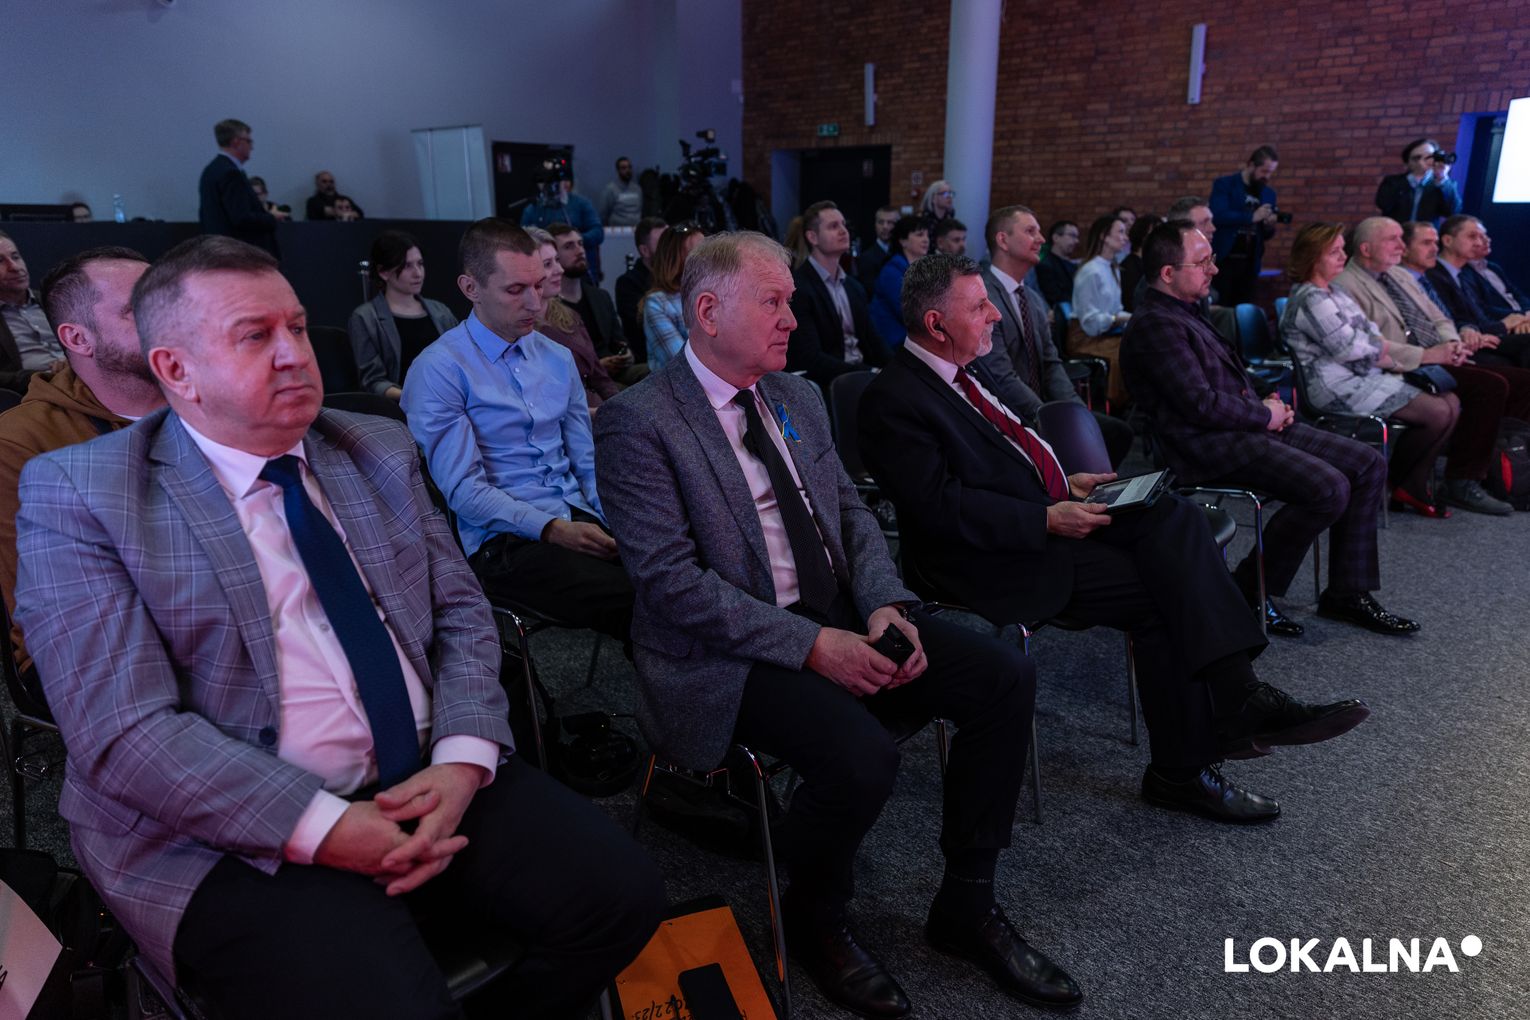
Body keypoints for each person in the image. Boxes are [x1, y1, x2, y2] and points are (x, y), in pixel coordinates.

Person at [12, 234, 663, 1019]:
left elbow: (461, 614)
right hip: (222, 822)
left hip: (426, 772)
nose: (295, 353)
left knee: (623, 898)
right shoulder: (82, 491)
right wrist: (321, 825)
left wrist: (461, 760)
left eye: (296, 326)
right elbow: (123, 730)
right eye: (255, 335)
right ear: (176, 370)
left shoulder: (372, 447)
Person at [594, 231, 1085, 1017]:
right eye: (775, 302)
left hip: (838, 613)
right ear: (709, 312)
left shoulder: (795, 397)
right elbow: (670, 585)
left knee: (1003, 677)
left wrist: (887, 602)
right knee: (860, 756)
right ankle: (814, 915)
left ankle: (967, 901)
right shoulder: (640, 422)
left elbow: (852, 517)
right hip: (726, 652)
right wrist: (813, 645)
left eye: (792, 301)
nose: (794, 320)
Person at [859, 251, 1368, 823]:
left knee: (1174, 515)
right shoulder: (893, 399)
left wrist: (1064, 482)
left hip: (1045, 512)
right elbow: (938, 509)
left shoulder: (963, 373)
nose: (994, 315)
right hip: (986, 556)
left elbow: (1005, 457)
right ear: (936, 324)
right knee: (1163, 593)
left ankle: (1238, 695)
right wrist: (1046, 517)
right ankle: (1188, 762)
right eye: (979, 307)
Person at [1122, 220, 1419, 638]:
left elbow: (1229, 378)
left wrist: (1268, 401)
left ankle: (1348, 592)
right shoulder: (1157, 324)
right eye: (1202, 262)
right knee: (1329, 488)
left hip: (1242, 427)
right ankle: (1249, 589)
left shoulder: (1187, 310)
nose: (1214, 269)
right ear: (1168, 273)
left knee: (1368, 463)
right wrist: (1264, 415)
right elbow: (1198, 404)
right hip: (1203, 446)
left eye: (1211, 260)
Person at [402, 219, 634, 645]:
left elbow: (586, 464)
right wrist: (552, 528)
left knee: (679, 575)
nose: (535, 303)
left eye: (539, 286)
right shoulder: (440, 369)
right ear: (470, 288)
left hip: (575, 513)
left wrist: (618, 519)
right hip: (504, 540)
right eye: (515, 290)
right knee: (641, 600)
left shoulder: (557, 358)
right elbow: (464, 492)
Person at [1, 247, 166, 687]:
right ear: (78, 339)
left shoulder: (213, 406)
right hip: (97, 655)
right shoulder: (20, 443)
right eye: (139, 308)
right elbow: (45, 616)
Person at [1334, 216, 1530, 514]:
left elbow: (1439, 318)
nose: (1401, 246)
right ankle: (1462, 480)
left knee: (1522, 381)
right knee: (1490, 386)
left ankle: (1505, 467)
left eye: (1402, 239)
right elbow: (1371, 345)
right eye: (1393, 240)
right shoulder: (1345, 285)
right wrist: (1431, 354)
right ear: (1366, 248)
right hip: (1401, 364)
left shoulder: (1399, 275)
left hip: (1437, 355)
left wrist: (1453, 344)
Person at [1279, 223, 1475, 516]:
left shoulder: (1334, 292)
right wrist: (1382, 354)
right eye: (1334, 252)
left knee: (1452, 402)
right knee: (1438, 412)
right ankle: (1399, 484)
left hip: (1362, 375)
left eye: (1342, 249)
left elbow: (1372, 337)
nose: (1343, 256)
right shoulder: (1311, 298)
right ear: (1312, 258)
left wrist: (1378, 351)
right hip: (1333, 387)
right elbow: (1350, 351)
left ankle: (1408, 483)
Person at [971, 205, 1133, 467]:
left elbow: (1051, 364)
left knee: (1116, 433)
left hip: (1040, 404)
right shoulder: (983, 297)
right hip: (1005, 413)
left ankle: (1080, 487)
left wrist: (1078, 412)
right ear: (1003, 240)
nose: (1041, 239)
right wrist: (1047, 417)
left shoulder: (1032, 298)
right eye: (1030, 231)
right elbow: (1000, 377)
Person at [786, 200, 886, 389]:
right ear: (813, 237)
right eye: (833, 226)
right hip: (827, 384)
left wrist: (898, 369)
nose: (843, 231)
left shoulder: (853, 287)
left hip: (862, 376)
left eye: (843, 225)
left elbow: (873, 341)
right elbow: (810, 357)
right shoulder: (799, 287)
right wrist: (869, 372)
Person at [347, 231, 459, 400]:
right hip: (400, 407)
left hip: (449, 400)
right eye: (407, 266)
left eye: (420, 264)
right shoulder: (365, 318)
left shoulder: (441, 312)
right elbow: (372, 382)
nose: (418, 273)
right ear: (384, 272)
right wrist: (413, 397)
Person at [526, 227, 620, 412]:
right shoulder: (520, 328)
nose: (559, 270)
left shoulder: (569, 315)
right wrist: (599, 414)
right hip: (572, 416)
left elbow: (601, 378)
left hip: (598, 407)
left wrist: (619, 407)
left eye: (557, 260)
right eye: (547, 264)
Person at [547, 221, 641, 383]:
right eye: (569, 246)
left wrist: (626, 355)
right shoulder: (548, 307)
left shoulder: (600, 296)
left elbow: (619, 339)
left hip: (615, 370)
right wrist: (597, 366)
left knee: (653, 374)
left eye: (580, 244)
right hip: (581, 380)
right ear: (554, 257)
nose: (580, 251)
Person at [1428, 216, 1530, 359]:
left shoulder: (1464, 274)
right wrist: (1504, 325)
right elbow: (1452, 322)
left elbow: (1480, 313)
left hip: (1486, 333)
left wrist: (1521, 318)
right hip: (1460, 343)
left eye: (1482, 237)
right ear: (1447, 241)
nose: (1479, 242)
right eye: (1472, 236)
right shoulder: (1433, 274)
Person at [1069, 215, 1132, 407]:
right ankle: (1117, 405)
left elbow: (1116, 310)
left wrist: (1127, 318)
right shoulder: (1091, 271)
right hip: (1084, 337)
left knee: (1137, 344)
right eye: (1120, 232)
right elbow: (1090, 322)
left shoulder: (1113, 268)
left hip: (1104, 331)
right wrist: (1116, 319)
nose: (1125, 237)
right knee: (1124, 352)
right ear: (1104, 236)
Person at [198, 118, 285, 256]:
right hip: (237, 252)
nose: (252, 147)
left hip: (218, 249)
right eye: (249, 141)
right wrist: (271, 218)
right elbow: (242, 218)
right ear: (236, 142)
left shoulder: (212, 169)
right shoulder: (230, 173)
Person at [1209, 146, 1280, 305]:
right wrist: (1252, 217)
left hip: (1250, 262)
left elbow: (1265, 234)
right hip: (1225, 259)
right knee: (1222, 307)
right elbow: (1217, 215)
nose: (1267, 176)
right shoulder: (1225, 185)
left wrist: (1269, 225)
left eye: (1271, 172)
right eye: (1264, 171)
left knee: (1244, 309)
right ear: (1251, 165)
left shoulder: (1268, 193)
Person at [0, 230, 66, 391]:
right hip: (32, 392)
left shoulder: (55, 300)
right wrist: (37, 377)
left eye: (15, 257)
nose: (15, 267)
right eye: (0, 261)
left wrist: (74, 362)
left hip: (81, 378)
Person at [642, 223, 704, 370]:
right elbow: (682, 365)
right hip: (682, 383)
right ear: (675, 259)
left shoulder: (721, 294)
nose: (709, 258)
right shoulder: (657, 303)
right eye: (700, 251)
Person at [522, 177, 604, 285]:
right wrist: (550, 247)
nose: (551, 186)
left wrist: (574, 242)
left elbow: (598, 232)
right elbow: (524, 243)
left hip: (583, 271)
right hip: (547, 273)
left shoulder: (581, 203)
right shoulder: (532, 209)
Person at [868, 215, 929, 347]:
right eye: (920, 235)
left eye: (927, 235)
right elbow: (908, 313)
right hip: (893, 343)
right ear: (903, 241)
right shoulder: (891, 271)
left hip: (911, 339)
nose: (926, 240)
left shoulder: (924, 269)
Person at [1374, 139, 1462, 226]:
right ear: (1407, 164)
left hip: (1426, 233)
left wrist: (1441, 177)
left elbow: (1453, 212)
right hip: (1396, 231)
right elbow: (1383, 204)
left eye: (1429, 156)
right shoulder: (1392, 182)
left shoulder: (1444, 184)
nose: (1422, 161)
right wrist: (1413, 179)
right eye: (1417, 158)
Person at [616, 216, 668, 355]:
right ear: (644, 250)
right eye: (663, 243)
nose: (670, 249)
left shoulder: (681, 275)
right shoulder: (627, 284)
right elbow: (645, 325)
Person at [1119, 214, 1162, 312]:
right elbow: (1133, 302)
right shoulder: (1129, 266)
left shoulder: (1152, 263)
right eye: (1157, 234)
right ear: (1143, 236)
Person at [1034, 220, 1081, 308]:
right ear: (1056, 238)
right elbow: (1056, 299)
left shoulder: (1073, 266)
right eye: (1072, 236)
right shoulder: (1046, 266)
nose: (1076, 241)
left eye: (1077, 237)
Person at [857, 205, 900, 293]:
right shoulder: (866, 258)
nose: (885, 226)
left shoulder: (902, 253)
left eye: (890, 222)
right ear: (875, 225)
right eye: (881, 222)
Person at [598, 156, 643, 226]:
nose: (628, 170)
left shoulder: (637, 189)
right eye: (624, 168)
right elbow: (603, 213)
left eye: (629, 167)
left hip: (636, 228)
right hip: (617, 229)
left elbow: (640, 209)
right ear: (618, 171)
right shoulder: (610, 189)